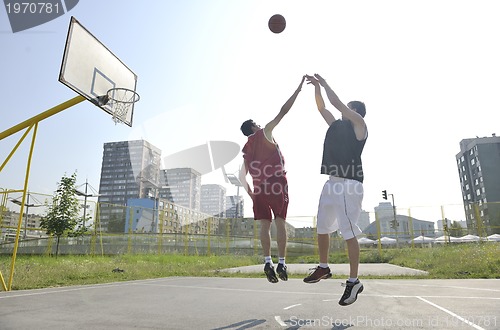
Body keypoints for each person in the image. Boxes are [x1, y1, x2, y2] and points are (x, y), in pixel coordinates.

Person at [303, 73, 367, 306]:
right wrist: (316, 89)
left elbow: (336, 104)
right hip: (331, 183)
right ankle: (323, 267)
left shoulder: (359, 125)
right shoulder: (338, 126)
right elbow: (323, 108)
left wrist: (325, 83)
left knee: (348, 232)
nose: (343, 111)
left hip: (349, 184)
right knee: (322, 227)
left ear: (355, 112)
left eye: (348, 109)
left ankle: (354, 281)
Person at [239, 76, 305, 283]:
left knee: (264, 227)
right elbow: (283, 112)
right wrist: (298, 90)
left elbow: (242, 176)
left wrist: (251, 194)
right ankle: (282, 262)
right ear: (254, 127)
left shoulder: (247, 149)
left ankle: (267, 261)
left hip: (258, 189)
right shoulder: (265, 133)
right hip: (276, 182)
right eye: (256, 124)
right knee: (281, 222)